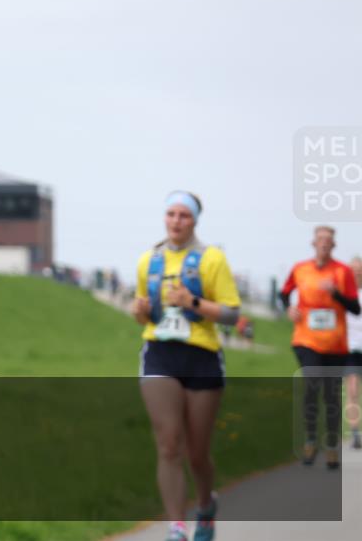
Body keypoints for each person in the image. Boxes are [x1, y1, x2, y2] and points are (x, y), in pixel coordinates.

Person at [131, 191, 241, 541]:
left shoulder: (212, 260)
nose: (176, 221)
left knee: (197, 454)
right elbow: (143, 311)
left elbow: (231, 313)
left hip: (202, 357)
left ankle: (206, 507)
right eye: (171, 214)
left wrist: (192, 301)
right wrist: (139, 312)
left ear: (195, 220)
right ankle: (177, 527)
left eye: (184, 215)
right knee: (168, 444)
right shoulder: (148, 260)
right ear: (164, 217)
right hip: (160, 353)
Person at [279, 227, 360, 468]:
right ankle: (311, 439)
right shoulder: (300, 269)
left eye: (328, 241)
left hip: (336, 344)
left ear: (333, 245)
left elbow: (355, 308)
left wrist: (336, 294)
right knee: (312, 385)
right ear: (313, 243)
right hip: (306, 339)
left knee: (331, 395)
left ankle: (333, 444)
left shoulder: (343, 272)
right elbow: (283, 293)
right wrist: (288, 307)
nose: (324, 244)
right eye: (320, 240)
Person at [343, 256, 362, 449]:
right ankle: (355, 432)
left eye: (360, 269)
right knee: (353, 390)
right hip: (350, 349)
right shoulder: (344, 295)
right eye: (353, 269)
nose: (357, 271)